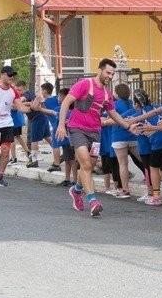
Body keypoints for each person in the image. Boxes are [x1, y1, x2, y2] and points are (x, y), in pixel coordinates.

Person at [56, 58, 140, 217]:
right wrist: (61, 125)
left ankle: (76, 190)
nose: (110, 76)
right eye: (108, 72)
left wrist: (128, 126)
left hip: (95, 133)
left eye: (113, 74)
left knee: (90, 165)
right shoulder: (84, 84)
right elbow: (66, 102)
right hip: (77, 129)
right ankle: (93, 201)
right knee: (86, 165)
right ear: (100, 70)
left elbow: (113, 113)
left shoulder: (107, 94)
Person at [104, 83, 147, 199]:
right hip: (133, 135)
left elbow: (108, 118)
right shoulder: (132, 104)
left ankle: (125, 189)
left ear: (117, 93)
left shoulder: (114, 105)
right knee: (144, 161)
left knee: (122, 164)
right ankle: (151, 187)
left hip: (118, 136)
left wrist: (104, 121)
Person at [17, 81, 53, 168]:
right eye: (17, 90)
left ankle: (34, 161)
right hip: (43, 117)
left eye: (19, 89)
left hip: (37, 118)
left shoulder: (27, 94)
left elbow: (25, 99)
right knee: (47, 136)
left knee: (34, 140)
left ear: (24, 87)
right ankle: (58, 152)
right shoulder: (31, 94)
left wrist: (22, 102)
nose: (18, 91)